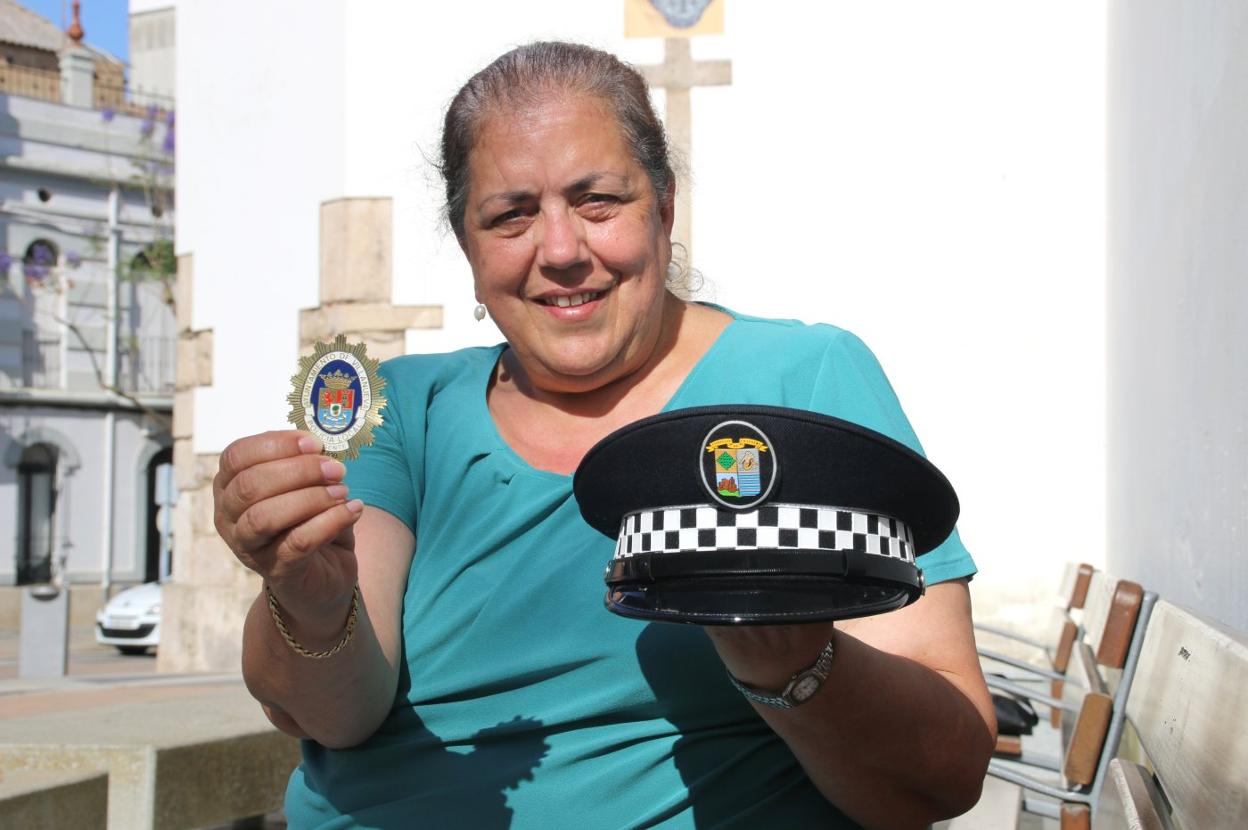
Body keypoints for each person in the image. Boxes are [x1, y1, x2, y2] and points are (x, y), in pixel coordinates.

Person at [213, 41, 995, 829]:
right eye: (510, 215)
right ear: (467, 246)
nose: (559, 251)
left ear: (663, 208)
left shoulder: (802, 380)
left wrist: (796, 665)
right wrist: (308, 603)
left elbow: (945, 770)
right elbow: (334, 715)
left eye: (597, 202)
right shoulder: (396, 408)